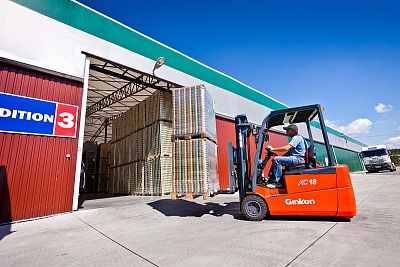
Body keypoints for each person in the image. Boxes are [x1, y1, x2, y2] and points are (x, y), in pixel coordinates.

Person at [266, 124, 307, 188]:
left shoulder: (297, 137)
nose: (286, 132)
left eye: (288, 130)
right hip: (298, 158)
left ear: (293, 131)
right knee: (277, 159)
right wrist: (280, 156)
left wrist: (273, 149)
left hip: (299, 159)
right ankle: (271, 179)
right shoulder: (299, 138)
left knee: (277, 160)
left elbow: (286, 148)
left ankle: (276, 182)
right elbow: (289, 152)